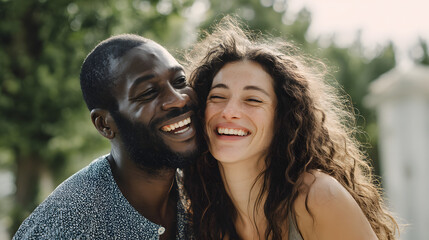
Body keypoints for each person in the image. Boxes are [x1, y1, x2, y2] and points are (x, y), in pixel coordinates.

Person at [184, 17, 398, 240]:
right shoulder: (200, 215)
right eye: (218, 96)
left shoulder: (316, 198)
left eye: (253, 100)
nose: (229, 111)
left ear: (282, 119)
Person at [13, 34, 200, 239]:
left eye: (180, 81)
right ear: (104, 124)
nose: (178, 99)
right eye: (148, 92)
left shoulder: (204, 191)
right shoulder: (64, 225)